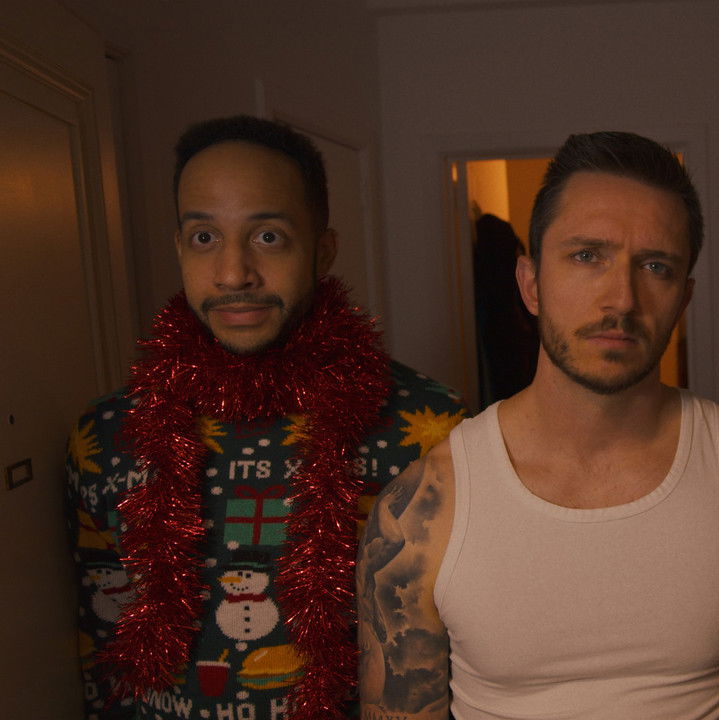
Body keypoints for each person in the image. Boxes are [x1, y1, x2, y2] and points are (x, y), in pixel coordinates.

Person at [358, 131, 719, 719]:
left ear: (683, 298)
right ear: (530, 283)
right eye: (588, 256)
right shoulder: (425, 508)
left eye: (656, 266)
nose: (622, 299)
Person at [65, 115, 466, 720]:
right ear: (179, 247)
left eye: (268, 236)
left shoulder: (430, 429)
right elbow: (100, 650)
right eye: (204, 237)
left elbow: (465, 651)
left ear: (322, 251)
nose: (233, 273)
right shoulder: (106, 436)